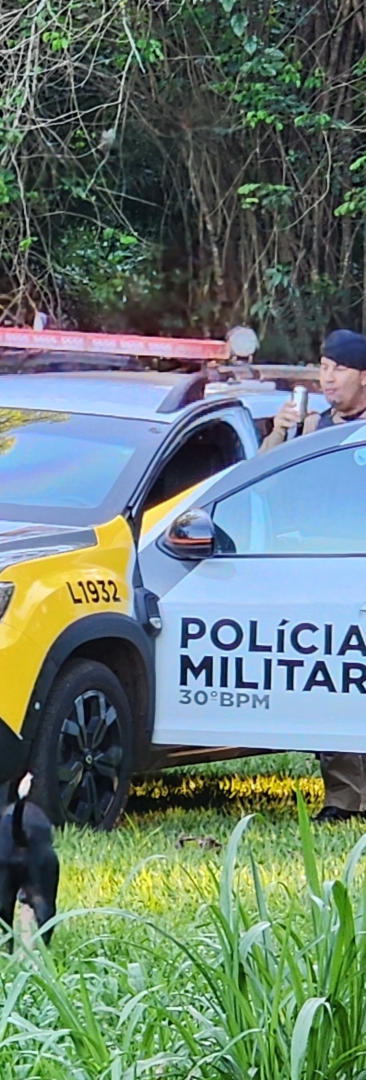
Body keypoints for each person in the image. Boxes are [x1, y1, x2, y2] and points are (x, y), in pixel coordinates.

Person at [260, 328, 366, 822]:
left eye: (338, 369)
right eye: (322, 367)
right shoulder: (313, 426)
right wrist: (281, 433)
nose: (327, 379)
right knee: (333, 682)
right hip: (321, 571)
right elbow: (259, 482)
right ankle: (344, 801)